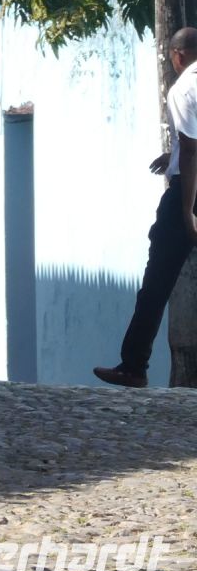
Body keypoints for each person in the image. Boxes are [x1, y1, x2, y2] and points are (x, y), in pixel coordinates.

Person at [93, 26, 197, 387]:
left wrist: (187, 210)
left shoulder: (184, 87)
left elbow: (193, 147)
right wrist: (176, 155)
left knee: (156, 282)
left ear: (177, 56)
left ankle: (134, 365)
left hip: (190, 190)